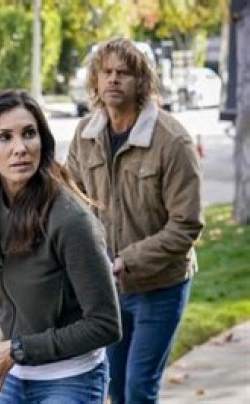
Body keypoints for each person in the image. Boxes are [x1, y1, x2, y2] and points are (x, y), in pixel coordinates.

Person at [0, 90, 122, 403]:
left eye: (29, 134)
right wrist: (0, 333)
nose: (20, 148)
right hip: (14, 376)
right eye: (5, 137)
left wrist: (17, 349)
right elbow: (21, 301)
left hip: (70, 379)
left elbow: (105, 325)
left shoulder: (71, 221)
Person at [66, 37, 204, 403]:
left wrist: (128, 259)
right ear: (95, 80)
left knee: (139, 388)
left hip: (161, 286)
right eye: (106, 72)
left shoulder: (172, 141)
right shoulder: (85, 135)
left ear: (141, 81)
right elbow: (71, 204)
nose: (113, 79)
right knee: (114, 387)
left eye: (124, 73)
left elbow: (186, 225)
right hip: (108, 287)